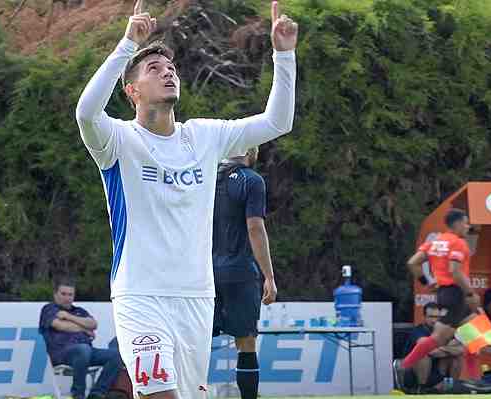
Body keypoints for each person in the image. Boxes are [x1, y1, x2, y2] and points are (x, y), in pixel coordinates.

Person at [75, 0, 297, 396]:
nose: (168, 73)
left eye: (171, 68)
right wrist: (128, 44)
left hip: (196, 295)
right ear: (132, 90)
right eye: (154, 69)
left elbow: (277, 122)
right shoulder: (118, 140)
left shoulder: (204, 136)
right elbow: (86, 112)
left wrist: (284, 55)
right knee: (160, 394)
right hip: (139, 294)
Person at [211, 147, 277, 399]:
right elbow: (255, 227)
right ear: (251, 151)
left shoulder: (205, 178)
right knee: (246, 343)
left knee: (195, 342)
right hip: (239, 272)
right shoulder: (252, 180)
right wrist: (269, 277)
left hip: (204, 275)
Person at [396, 208, 480, 378]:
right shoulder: (458, 243)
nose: (467, 226)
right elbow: (455, 271)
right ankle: (404, 365)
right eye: (465, 222)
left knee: (471, 335)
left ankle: (404, 364)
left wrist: (427, 283)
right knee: (471, 335)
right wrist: (471, 293)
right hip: (457, 294)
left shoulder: (434, 242)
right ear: (456, 224)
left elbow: (412, 263)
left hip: (444, 293)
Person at [39, 276, 121, 399]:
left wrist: (68, 316)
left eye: (70, 295)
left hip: (87, 352)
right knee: (83, 349)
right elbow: (60, 325)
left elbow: (93, 324)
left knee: (117, 355)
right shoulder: (49, 309)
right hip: (62, 353)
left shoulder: (79, 311)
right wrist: (84, 328)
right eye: (63, 294)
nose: (67, 298)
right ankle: (78, 394)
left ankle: (97, 393)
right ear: (55, 294)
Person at [397, 303, 464, 393]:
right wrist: (449, 348)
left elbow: (461, 350)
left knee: (456, 358)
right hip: (414, 374)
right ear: (424, 317)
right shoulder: (418, 331)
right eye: (431, 317)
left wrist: (442, 350)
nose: (434, 320)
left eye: (437, 317)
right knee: (423, 355)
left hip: (439, 371)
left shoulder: (446, 332)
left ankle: (450, 387)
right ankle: (421, 390)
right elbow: (429, 350)